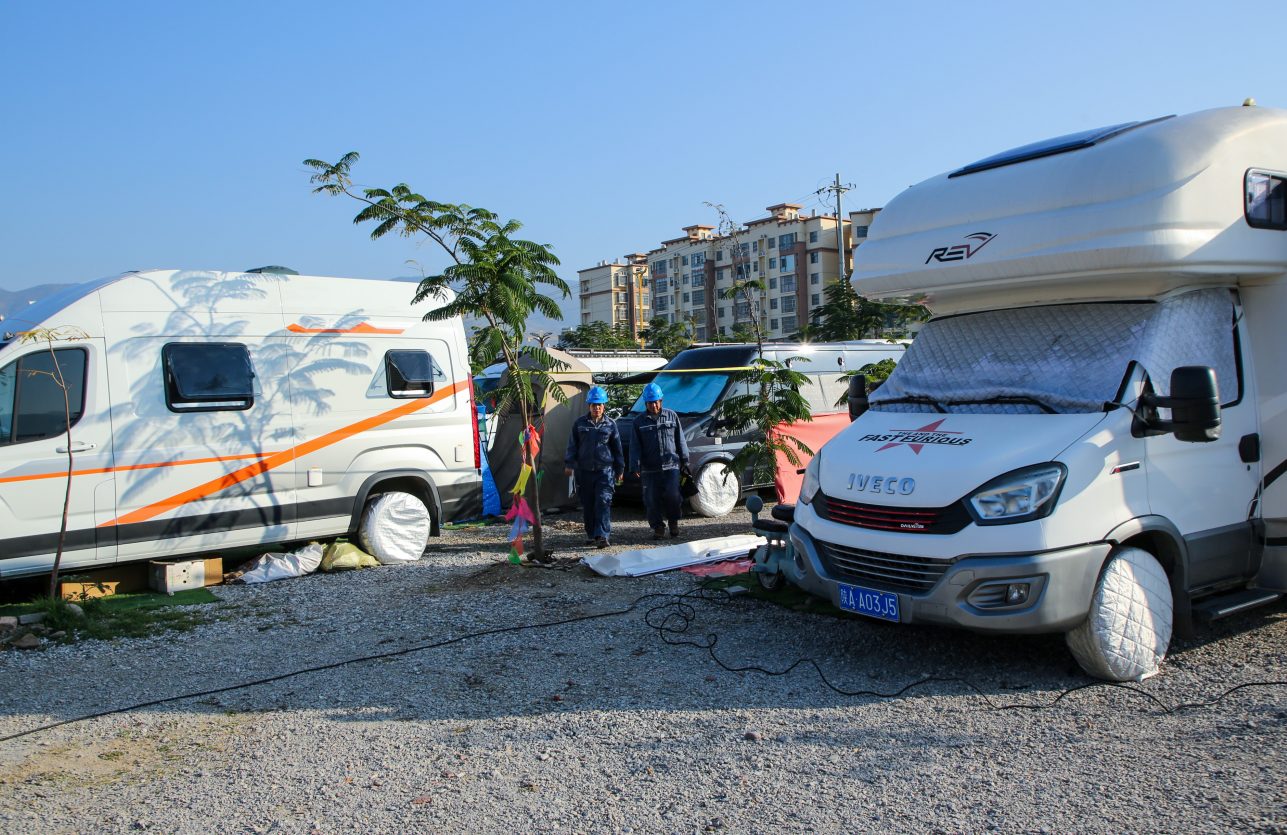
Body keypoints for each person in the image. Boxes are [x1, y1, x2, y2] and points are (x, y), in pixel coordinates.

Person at [564, 386, 623, 548]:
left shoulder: (611, 425)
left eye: (599, 405)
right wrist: (569, 464)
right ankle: (591, 534)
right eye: (593, 405)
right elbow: (572, 445)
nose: (597, 408)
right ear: (589, 405)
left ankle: (602, 536)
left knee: (603, 502)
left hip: (605, 471)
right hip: (584, 471)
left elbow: (617, 449)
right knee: (588, 504)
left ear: (604, 406)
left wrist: (620, 469)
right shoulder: (579, 423)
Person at [628, 383, 690, 540]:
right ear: (645, 403)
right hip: (650, 469)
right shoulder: (638, 421)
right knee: (652, 500)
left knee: (673, 496)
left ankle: (673, 522)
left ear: (661, 401)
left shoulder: (672, 416)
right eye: (650, 403)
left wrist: (684, 459)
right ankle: (657, 527)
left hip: (671, 466)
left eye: (656, 402)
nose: (653, 405)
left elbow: (680, 440)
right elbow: (635, 446)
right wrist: (635, 465)